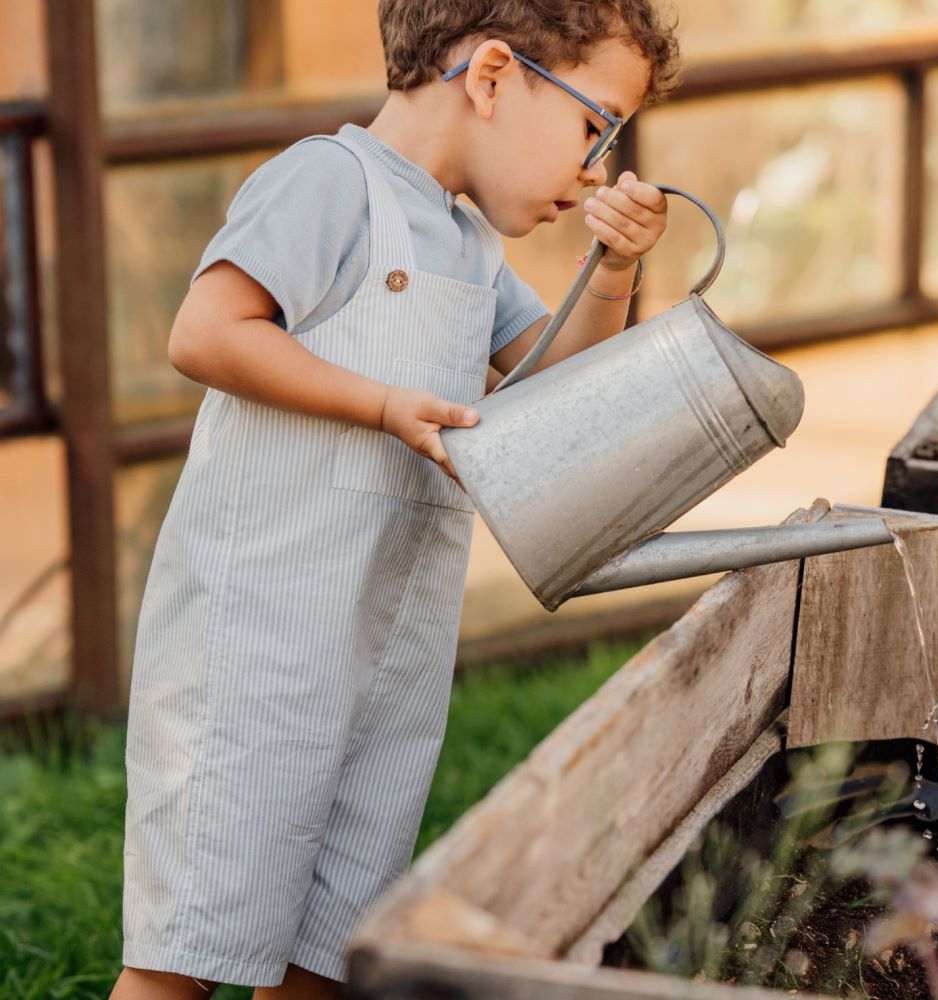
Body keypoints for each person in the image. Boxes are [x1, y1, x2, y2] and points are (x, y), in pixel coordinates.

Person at [110, 2, 680, 997]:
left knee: (328, 952)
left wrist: (614, 270)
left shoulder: (468, 243)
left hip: (384, 660)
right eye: (596, 124)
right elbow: (205, 332)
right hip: (255, 659)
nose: (596, 166)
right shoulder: (328, 185)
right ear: (493, 75)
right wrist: (378, 404)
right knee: (184, 960)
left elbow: (560, 405)